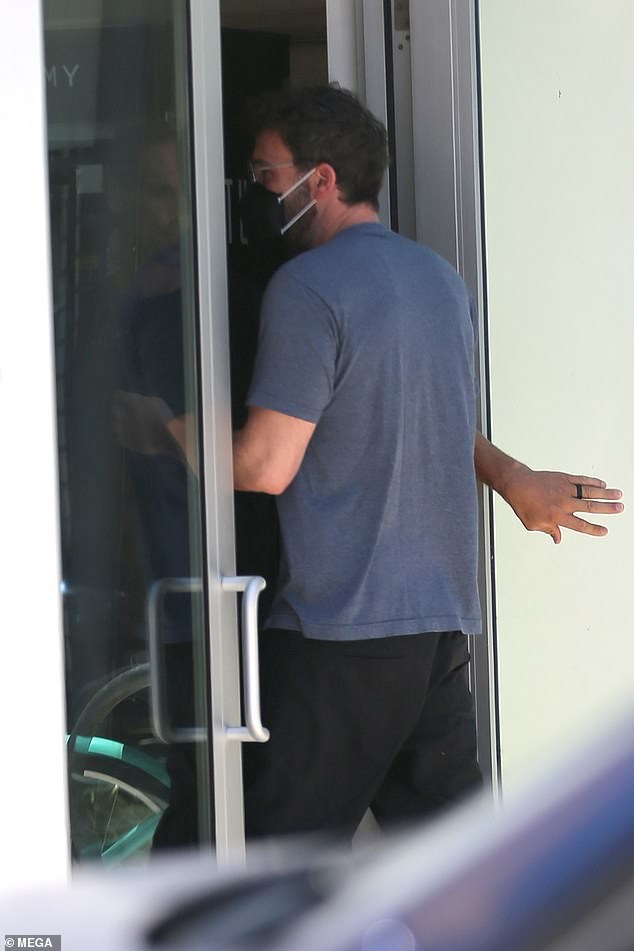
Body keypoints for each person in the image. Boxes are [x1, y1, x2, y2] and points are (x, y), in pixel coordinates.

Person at [233, 85, 624, 841]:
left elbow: (265, 465)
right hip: (436, 631)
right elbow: (423, 413)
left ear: (321, 179)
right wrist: (511, 477)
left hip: (340, 633)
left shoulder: (306, 288)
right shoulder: (437, 280)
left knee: (276, 871)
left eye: (265, 173)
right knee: (453, 870)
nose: (257, 190)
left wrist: (170, 432)